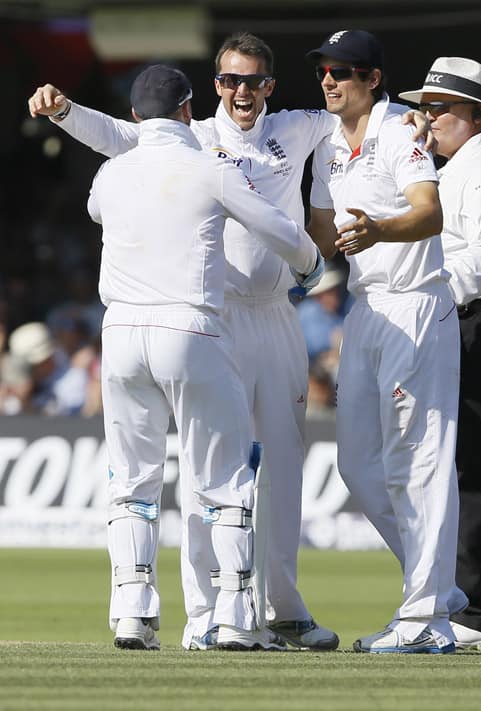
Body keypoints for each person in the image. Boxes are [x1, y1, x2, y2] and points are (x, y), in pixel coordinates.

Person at [28, 32, 431, 651]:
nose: (241, 91)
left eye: (253, 81)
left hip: (273, 315)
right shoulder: (189, 138)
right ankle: (205, 612)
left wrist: (418, 124)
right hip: (211, 316)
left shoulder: (300, 127)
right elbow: (121, 135)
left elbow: (361, 112)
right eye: (229, 81)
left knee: (284, 465)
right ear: (210, 90)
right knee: (206, 470)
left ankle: (283, 607)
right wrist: (63, 112)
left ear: (270, 86)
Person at [84, 64, 323, 651]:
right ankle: (237, 618)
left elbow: (97, 211)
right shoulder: (209, 168)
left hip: (119, 335)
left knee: (131, 482)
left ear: (138, 116)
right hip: (190, 329)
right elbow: (276, 228)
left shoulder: (109, 175)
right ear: (190, 110)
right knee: (224, 479)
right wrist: (312, 265)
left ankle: (133, 613)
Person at [307, 30, 463, 654]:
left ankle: (425, 617)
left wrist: (379, 232)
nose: (328, 81)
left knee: (416, 463)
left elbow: (429, 212)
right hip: (366, 307)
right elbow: (321, 223)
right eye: (322, 70)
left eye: (341, 71)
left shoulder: (401, 128)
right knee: (358, 464)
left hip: (416, 302)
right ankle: (440, 590)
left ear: (372, 78)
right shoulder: (323, 141)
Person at [398, 56, 481, 650]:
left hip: (480, 323)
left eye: (441, 107)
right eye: (425, 106)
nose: (429, 118)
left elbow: (479, 262)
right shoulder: (460, 168)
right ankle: (470, 605)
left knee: (478, 467)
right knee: (462, 467)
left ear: (476, 113)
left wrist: (426, 301)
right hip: (467, 321)